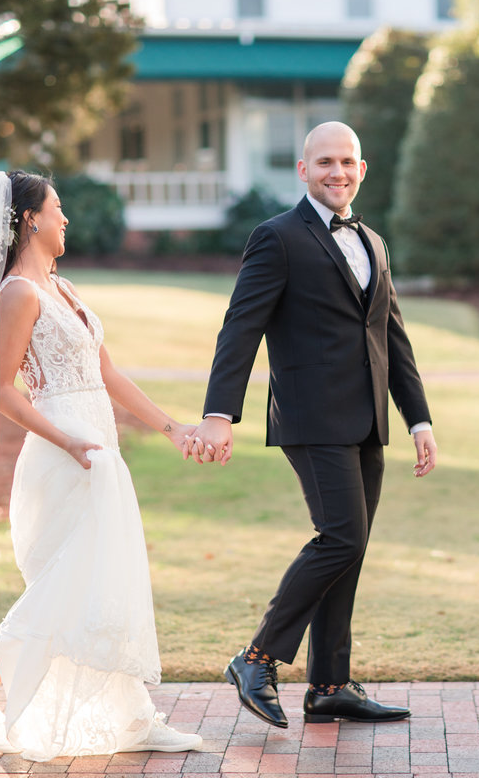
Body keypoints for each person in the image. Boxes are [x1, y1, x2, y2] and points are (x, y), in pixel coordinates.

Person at [0, 170, 202, 760]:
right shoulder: (17, 294)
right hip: (64, 455)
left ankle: (131, 718)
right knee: (67, 582)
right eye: (57, 209)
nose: (65, 220)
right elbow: (1, 391)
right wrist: (71, 443)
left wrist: (172, 427)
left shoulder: (65, 288)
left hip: (98, 447)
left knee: (103, 576)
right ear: (30, 219)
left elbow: (106, 374)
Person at [186, 121, 438, 727]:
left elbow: (391, 338)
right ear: (303, 170)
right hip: (309, 416)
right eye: (324, 162)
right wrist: (219, 414)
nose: (337, 172)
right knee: (341, 537)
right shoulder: (277, 238)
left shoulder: (373, 241)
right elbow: (240, 328)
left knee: (350, 549)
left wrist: (418, 419)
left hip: (368, 419)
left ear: (362, 168)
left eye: (347, 162)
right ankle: (257, 658)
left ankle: (330, 685)